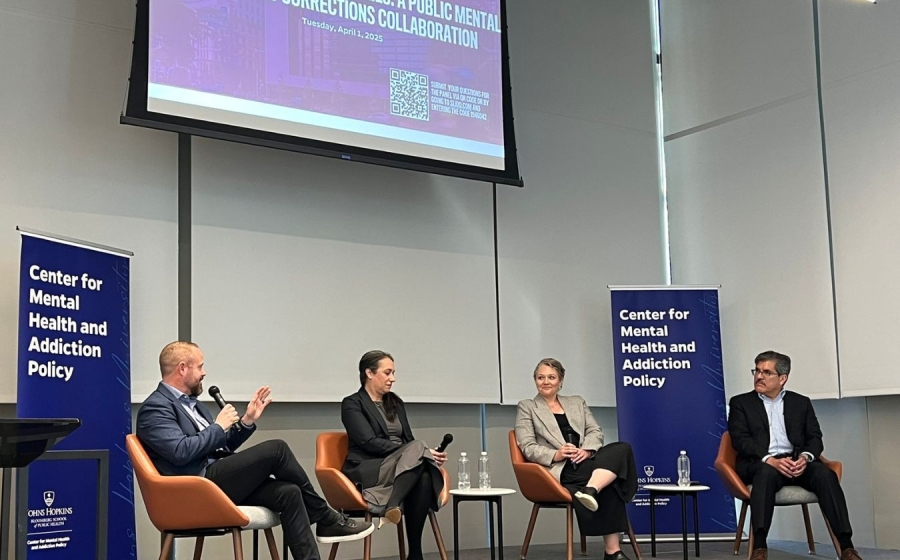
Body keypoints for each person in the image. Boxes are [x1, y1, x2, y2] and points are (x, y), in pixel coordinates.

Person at [136, 341, 373, 560]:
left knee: (289, 492)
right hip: (195, 487)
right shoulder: (155, 408)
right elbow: (180, 452)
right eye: (200, 366)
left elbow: (219, 446)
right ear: (182, 369)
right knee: (276, 449)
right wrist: (218, 426)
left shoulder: (194, 405)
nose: (204, 372)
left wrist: (247, 421)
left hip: (215, 480)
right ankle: (325, 516)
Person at [728, 350, 861, 560]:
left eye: (766, 372)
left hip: (796, 461)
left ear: (783, 378)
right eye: (757, 371)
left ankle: (847, 547)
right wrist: (770, 460)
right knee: (764, 474)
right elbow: (740, 440)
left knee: (826, 475)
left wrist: (805, 458)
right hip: (761, 463)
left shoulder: (801, 402)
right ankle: (760, 548)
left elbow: (815, 438)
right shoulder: (740, 403)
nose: (759, 376)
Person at [515, 358, 637, 560]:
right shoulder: (527, 407)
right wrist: (557, 453)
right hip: (560, 468)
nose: (546, 382)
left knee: (622, 447)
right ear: (535, 380)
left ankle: (590, 489)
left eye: (551, 377)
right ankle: (612, 552)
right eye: (541, 377)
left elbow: (595, 431)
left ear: (560, 381)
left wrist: (587, 451)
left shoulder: (577, 402)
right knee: (612, 479)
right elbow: (527, 446)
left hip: (586, 460)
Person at [340, 350, 447, 560]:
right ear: (369, 373)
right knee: (419, 449)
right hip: (370, 467)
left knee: (424, 472)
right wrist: (419, 452)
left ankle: (414, 553)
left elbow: (409, 439)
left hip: (402, 465)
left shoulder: (396, 403)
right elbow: (367, 442)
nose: (393, 379)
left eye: (394, 373)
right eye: (387, 373)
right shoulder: (352, 403)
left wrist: (421, 453)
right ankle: (393, 504)